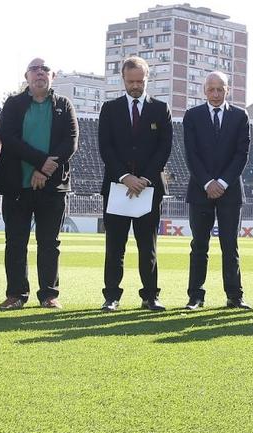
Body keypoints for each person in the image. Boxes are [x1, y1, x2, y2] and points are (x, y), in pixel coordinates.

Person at [0, 57, 78, 310]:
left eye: (45, 69)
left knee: (49, 242)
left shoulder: (64, 104)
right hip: (17, 185)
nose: (40, 73)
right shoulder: (14, 103)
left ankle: (49, 295)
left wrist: (44, 171)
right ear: (26, 76)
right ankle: (16, 294)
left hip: (52, 188)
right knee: (16, 242)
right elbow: (9, 138)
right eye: (34, 69)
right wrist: (43, 162)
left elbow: (70, 142)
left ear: (52, 76)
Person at [98, 56, 173, 312]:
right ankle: (111, 296)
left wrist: (145, 178)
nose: (135, 86)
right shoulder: (109, 108)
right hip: (117, 187)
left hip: (149, 189)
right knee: (115, 247)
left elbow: (164, 148)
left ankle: (150, 296)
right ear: (123, 79)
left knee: (147, 247)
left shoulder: (160, 109)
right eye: (131, 81)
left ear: (147, 78)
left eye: (140, 81)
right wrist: (124, 177)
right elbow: (105, 148)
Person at [182, 71, 250, 310]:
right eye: (211, 89)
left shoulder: (241, 116)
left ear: (227, 90)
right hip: (200, 191)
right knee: (199, 245)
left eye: (220, 89)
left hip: (230, 192)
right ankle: (196, 297)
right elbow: (191, 154)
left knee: (230, 245)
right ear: (204, 90)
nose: (215, 93)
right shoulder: (192, 116)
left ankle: (235, 296)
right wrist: (207, 183)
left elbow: (241, 155)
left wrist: (221, 183)